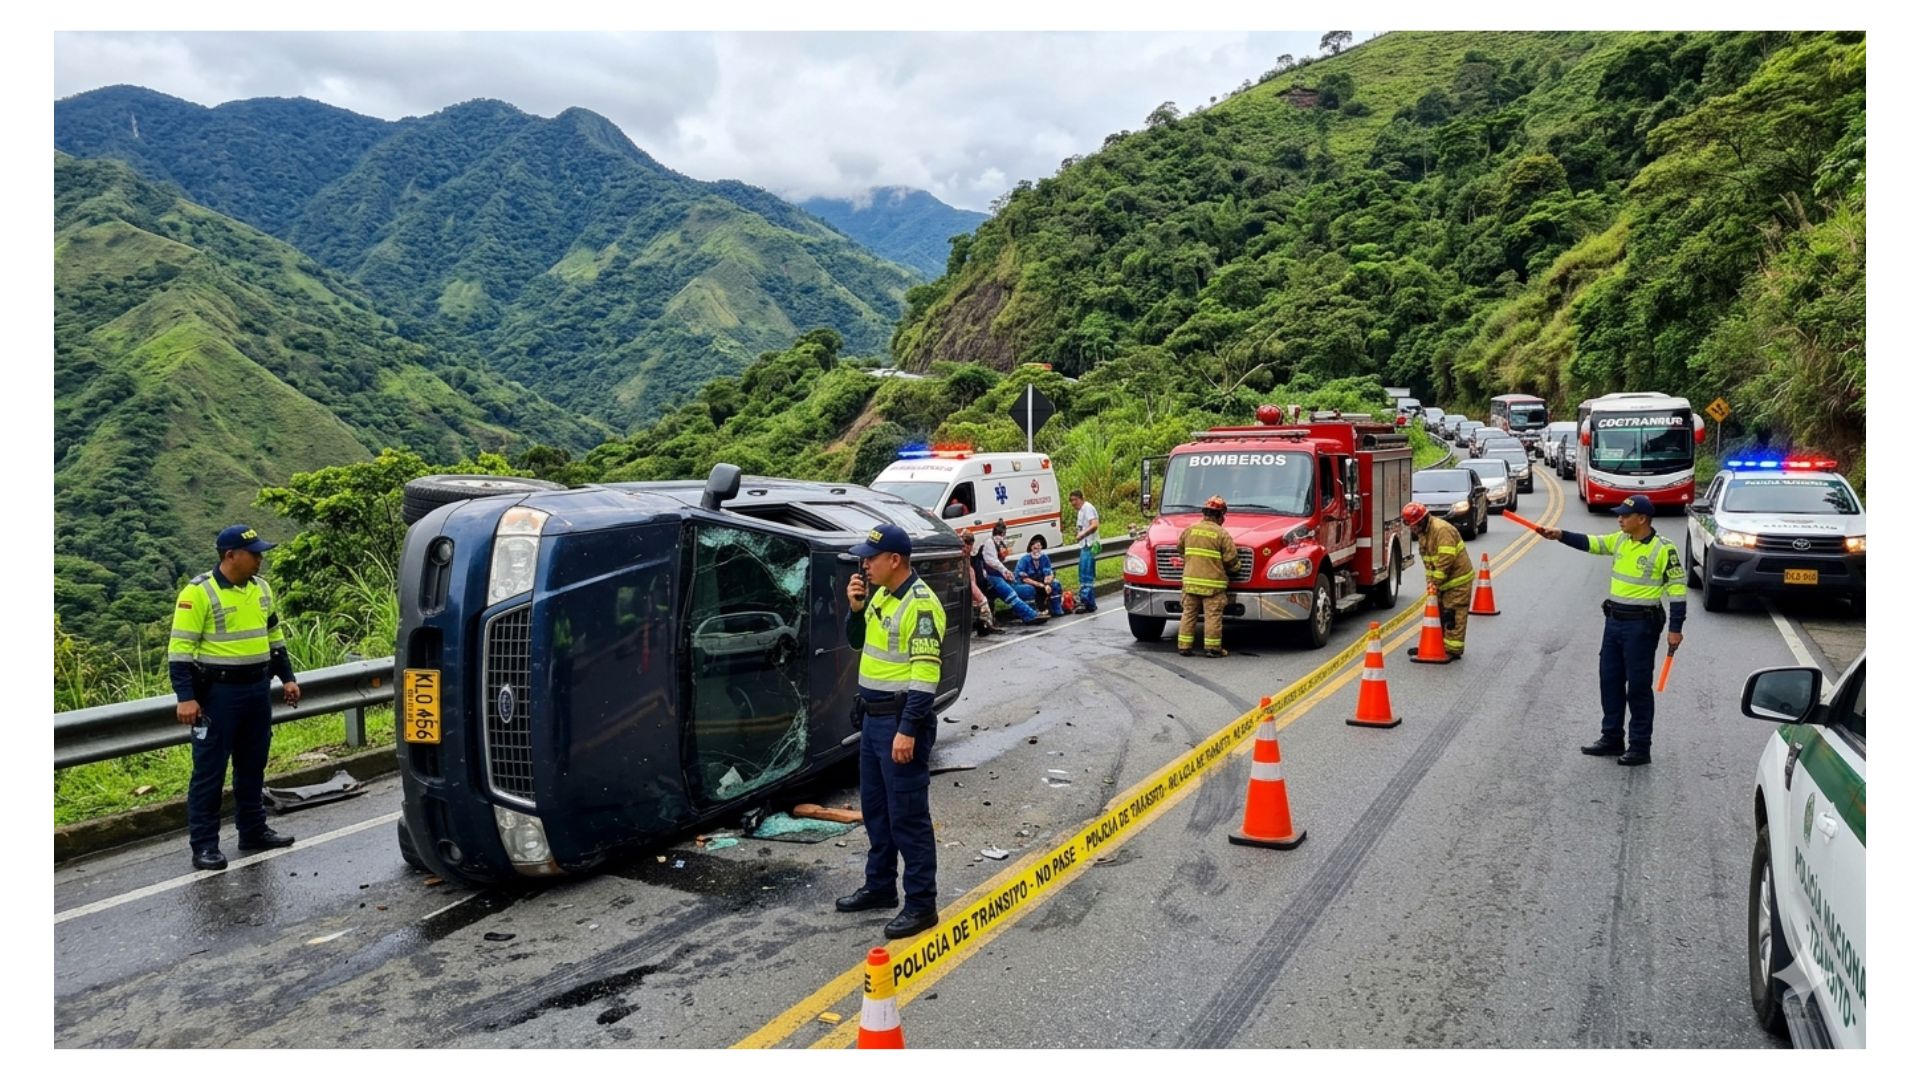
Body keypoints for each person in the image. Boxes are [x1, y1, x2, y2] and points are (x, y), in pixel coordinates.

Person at [168, 525, 301, 871]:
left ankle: (253, 831)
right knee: (209, 772)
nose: (260, 559)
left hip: (257, 690)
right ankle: (205, 846)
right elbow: (180, 650)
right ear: (230, 556)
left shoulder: (261, 589)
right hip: (218, 695)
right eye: (254, 553)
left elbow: (275, 637)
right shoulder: (199, 593)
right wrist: (186, 698)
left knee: (252, 765)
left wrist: (287, 678)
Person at [836, 524, 946, 939]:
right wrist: (857, 608)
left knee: (908, 817)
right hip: (873, 720)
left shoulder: (920, 605)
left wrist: (908, 730)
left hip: (900, 724)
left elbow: (924, 677)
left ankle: (921, 904)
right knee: (877, 812)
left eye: (870, 558)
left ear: (894, 560)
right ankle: (880, 886)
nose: (864, 564)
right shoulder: (880, 594)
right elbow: (855, 642)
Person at [1538, 495, 1686, 767]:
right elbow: (1592, 543)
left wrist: (1676, 629)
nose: (1619, 519)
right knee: (1610, 680)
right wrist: (1560, 535)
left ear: (1641, 519)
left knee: (1638, 687)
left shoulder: (1664, 549)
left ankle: (1640, 746)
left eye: (1624, 515)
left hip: (1642, 624)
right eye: (1619, 514)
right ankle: (1612, 737)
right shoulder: (1620, 540)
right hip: (1614, 622)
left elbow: (1677, 591)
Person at [1403, 502, 1473, 659]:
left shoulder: (1441, 530)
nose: (1413, 529)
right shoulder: (1424, 533)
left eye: (1414, 525)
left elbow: (1445, 560)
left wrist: (1435, 582)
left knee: (1453, 614)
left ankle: (1453, 649)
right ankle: (1435, 643)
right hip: (1442, 582)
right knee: (1438, 613)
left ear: (1422, 520)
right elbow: (1428, 561)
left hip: (1458, 581)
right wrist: (1430, 582)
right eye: (1411, 526)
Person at [1176, 495, 1239, 657]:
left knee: (1188, 614)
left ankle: (1184, 646)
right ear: (1219, 515)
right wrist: (1236, 568)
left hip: (1190, 584)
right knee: (1212, 616)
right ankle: (1212, 649)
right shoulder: (1221, 534)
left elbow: (1180, 549)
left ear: (1204, 513)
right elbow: (1230, 559)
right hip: (1213, 586)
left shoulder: (1190, 530)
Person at [967, 529, 1047, 625]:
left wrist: (1006, 574)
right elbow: (990, 563)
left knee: (1027, 589)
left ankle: (1031, 612)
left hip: (993, 580)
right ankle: (1029, 615)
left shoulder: (995, 546)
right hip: (987, 582)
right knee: (1007, 591)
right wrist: (1004, 571)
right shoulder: (984, 549)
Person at [1013, 535, 1067, 616]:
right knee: (1028, 589)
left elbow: (1049, 572)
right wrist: (1042, 585)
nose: (1037, 551)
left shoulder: (1044, 558)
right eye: (1035, 548)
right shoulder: (1024, 560)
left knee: (1055, 584)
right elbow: (1025, 579)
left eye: (1039, 548)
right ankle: (1031, 613)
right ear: (1031, 548)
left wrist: (1048, 584)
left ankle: (1056, 609)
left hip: (1040, 582)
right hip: (1024, 584)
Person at [1069, 489, 1101, 612]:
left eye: (1075, 500)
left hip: (1089, 545)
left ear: (1081, 498)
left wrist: (1082, 534)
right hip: (1085, 545)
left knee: (1085, 574)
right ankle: (1089, 603)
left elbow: (1094, 525)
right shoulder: (1081, 511)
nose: (1073, 503)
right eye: (1071, 501)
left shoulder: (1088, 508)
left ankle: (1086, 602)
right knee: (1085, 573)